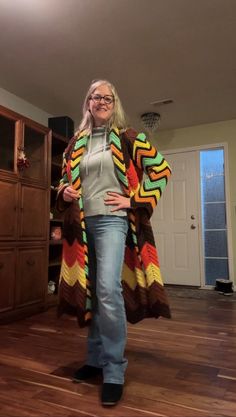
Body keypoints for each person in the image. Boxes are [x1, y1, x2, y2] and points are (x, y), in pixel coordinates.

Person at [56, 79, 171, 406]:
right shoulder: (75, 143)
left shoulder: (129, 137)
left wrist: (134, 199)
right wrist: (63, 191)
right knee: (90, 291)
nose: (102, 101)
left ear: (114, 103)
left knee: (107, 289)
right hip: (80, 225)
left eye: (108, 97)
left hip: (111, 221)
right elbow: (64, 180)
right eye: (96, 96)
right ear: (88, 103)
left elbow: (160, 170)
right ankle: (95, 359)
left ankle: (115, 369)